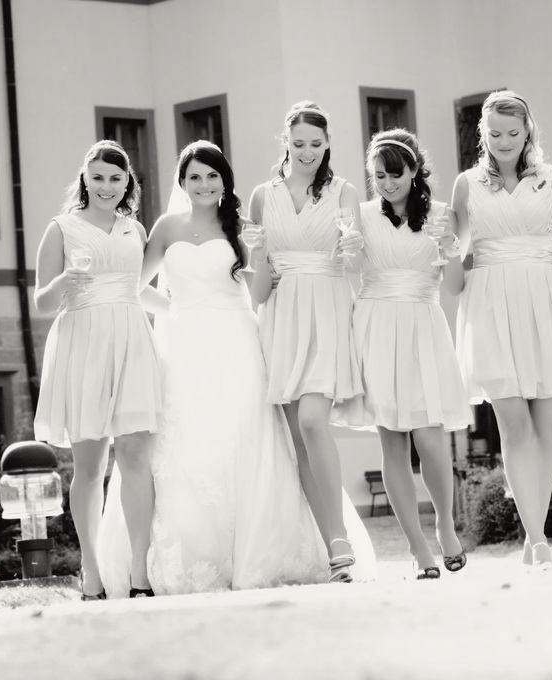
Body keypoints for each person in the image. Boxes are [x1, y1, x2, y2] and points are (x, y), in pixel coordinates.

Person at [103, 140, 329, 595]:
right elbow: (133, 285)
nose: (204, 184)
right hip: (182, 345)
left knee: (245, 436)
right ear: (182, 183)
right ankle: (189, 555)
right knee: (186, 441)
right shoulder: (166, 227)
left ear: (224, 181)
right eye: (194, 177)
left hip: (236, 341)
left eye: (212, 176)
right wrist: (173, 310)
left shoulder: (242, 227)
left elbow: (260, 293)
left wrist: (260, 254)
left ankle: (255, 552)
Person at [451, 91, 552, 570]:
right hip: (490, 304)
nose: (504, 141)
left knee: (542, 427)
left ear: (528, 130)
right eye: (495, 134)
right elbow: (454, 251)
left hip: (543, 300)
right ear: (483, 134)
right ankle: (537, 538)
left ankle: (537, 535)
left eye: (513, 133)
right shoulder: (467, 185)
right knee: (513, 426)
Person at [333, 129, 472, 579]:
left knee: (430, 439)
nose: (387, 183)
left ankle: (445, 526)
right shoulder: (360, 216)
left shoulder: (442, 215)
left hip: (423, 327)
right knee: (391, 440)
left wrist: (450, 248)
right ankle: (417, 547)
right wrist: (348, 251)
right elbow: (351, 272)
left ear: (414, 171)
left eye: (395, 174)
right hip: (375, 327)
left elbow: (455, 285)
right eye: (379, 176)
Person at [33, 140, 161, 600]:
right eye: (98, 177)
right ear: (85, 180)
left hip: (132, 342)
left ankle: (140, 571)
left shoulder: (135, 230)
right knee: (90, 465)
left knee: (135, 456)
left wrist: (191, 310)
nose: (107, 186)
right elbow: (41, 303)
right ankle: (91, 569)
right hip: (83, 344)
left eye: (116, 178)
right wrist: (63, 282)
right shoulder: (61, 229)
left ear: (128, 183)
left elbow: (137, 290)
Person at [248, 101, 366, 584]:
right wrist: (259, 260)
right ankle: (333, 549)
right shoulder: (262, 196)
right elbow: (258, 290)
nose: (307, 152)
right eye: (298, 144)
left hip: (328, 312)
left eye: (316, 144)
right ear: (286, 143)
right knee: (298, 439)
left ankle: (340, 538)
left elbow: (356, 266)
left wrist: (354, 249)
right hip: (281, 318)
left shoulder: (344, 192)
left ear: (328, 143)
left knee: (315, 421)